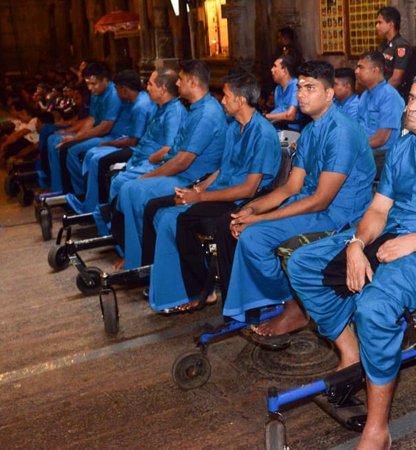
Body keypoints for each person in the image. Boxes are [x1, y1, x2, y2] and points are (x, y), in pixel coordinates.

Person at [288, 70, 416, 450]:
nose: (412, 107)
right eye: (412, 98)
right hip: (395, 234)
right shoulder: (402, 148)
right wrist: (355, 244)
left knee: (373, 308)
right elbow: (379, 209)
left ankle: (378, 428)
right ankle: (352, 352)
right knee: (303, 265)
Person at [221, 60, 376, 338]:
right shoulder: (310, 131)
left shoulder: (342, 131)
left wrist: (260, 219)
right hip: (311, 207)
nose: (301, 94)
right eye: (300, 87)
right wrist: (252, 209)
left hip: (340, 216)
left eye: (310, 88)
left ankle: (294, 308)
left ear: (329, 94)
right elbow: (291, 187)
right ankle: (287, 302)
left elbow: (321, 200)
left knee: (254, 237)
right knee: (244, 228)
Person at [142, 73, 281, 312]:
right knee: (158, 206)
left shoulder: (263, 133)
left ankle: (201, 289)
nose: (222, 101)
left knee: (180, 219)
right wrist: (199, 188)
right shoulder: (234, 128)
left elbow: (248, 188)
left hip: (241, 199)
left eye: (226, 96)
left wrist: (199, 197)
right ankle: (172, 283)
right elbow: (223, 169)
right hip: (221, 190)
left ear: (240, 101)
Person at [116, 59, 226, 270]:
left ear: (192, 82)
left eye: (181, 79)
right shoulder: (196, 108)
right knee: (129, 188)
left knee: (132, 189)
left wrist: (147, 177)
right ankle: (138, 258)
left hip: (192, 178)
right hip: (181, 173)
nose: (177, 83)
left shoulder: (207, 113)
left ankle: (142, 262)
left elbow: (182, 162)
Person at [92, 69, 187, 238]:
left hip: (155, 164)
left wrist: (151, 158)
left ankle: (120, 233)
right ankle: (116, 228)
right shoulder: (161, 108)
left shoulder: (174, 112)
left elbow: (169, 149)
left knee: (121, 183)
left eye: (150, 84)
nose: (146, 88)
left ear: (162, 88)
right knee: (114, 177)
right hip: (141, 160)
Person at [65, 70, 157, 214]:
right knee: (92, 154)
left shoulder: (140, 105)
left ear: (124, 90)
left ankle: (98, 207)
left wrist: (109, 144)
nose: (116, 94)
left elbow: (132, 141)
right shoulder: (137, 101)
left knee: (98, 159)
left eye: (117, 89)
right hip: (135, 143)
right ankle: (90, 199)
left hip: (138, 148)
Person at [46, 62, 123, 193]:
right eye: (87, 83)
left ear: (105, 80)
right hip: (98, 133)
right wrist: (75, 135)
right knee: (53, 140)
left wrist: (75, 139)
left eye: (93, 83)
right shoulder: (95, 93)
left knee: (71, 150)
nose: (90, 88)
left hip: (112, 135)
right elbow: (91, 120)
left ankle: (80, 190)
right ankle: (59, 188)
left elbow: (104, 128)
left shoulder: (113, 94)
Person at [355, 51, 405, 153]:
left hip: (382, 154)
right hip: (365, 149)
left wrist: (353, 146)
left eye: (361, 67)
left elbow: (381, 139)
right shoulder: (365, 95)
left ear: (375, 71)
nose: (356, 71)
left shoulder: (389, 96)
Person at [0, 101, 39, 167]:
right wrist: (7, 139)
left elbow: (19, 135)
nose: (20, 115)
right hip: (23, 140)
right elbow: (15, 133)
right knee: (4, 139)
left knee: (10, 144)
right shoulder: (23, 122)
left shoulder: (34, 121)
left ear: (29, 116)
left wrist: (5, 144)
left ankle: (0, 161)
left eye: (22, 114)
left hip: (29, 142)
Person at [376, 6, 412, 97]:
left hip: (395, 95)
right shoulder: (384, 45)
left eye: (380, 22)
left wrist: (380, 94)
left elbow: (396, 79)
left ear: (391, 24)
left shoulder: (401, 46)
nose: (377, 26)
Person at [265, 55, 304, 129]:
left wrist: (265, 117)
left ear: (285, 71)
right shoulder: (278, 89)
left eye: (275, 66)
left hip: (291, 131)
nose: (272, 70)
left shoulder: (296, 86)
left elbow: (290, 116)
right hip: (277, 128)